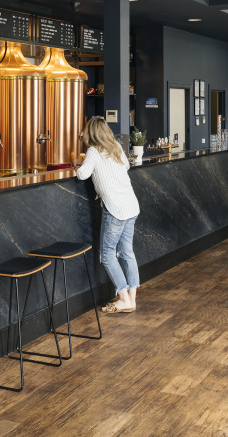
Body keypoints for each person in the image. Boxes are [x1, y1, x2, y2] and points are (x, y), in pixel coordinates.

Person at [76, 117, 141, 314]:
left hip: (115, 209)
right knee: (127, 252)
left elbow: (82, 174)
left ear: (91, 134)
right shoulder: (116, 147)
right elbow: (126, 166)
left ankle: (123, 298)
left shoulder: (94, 151)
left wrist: (78, 164)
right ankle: (132, 298)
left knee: (107, 255)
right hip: (131, 205)